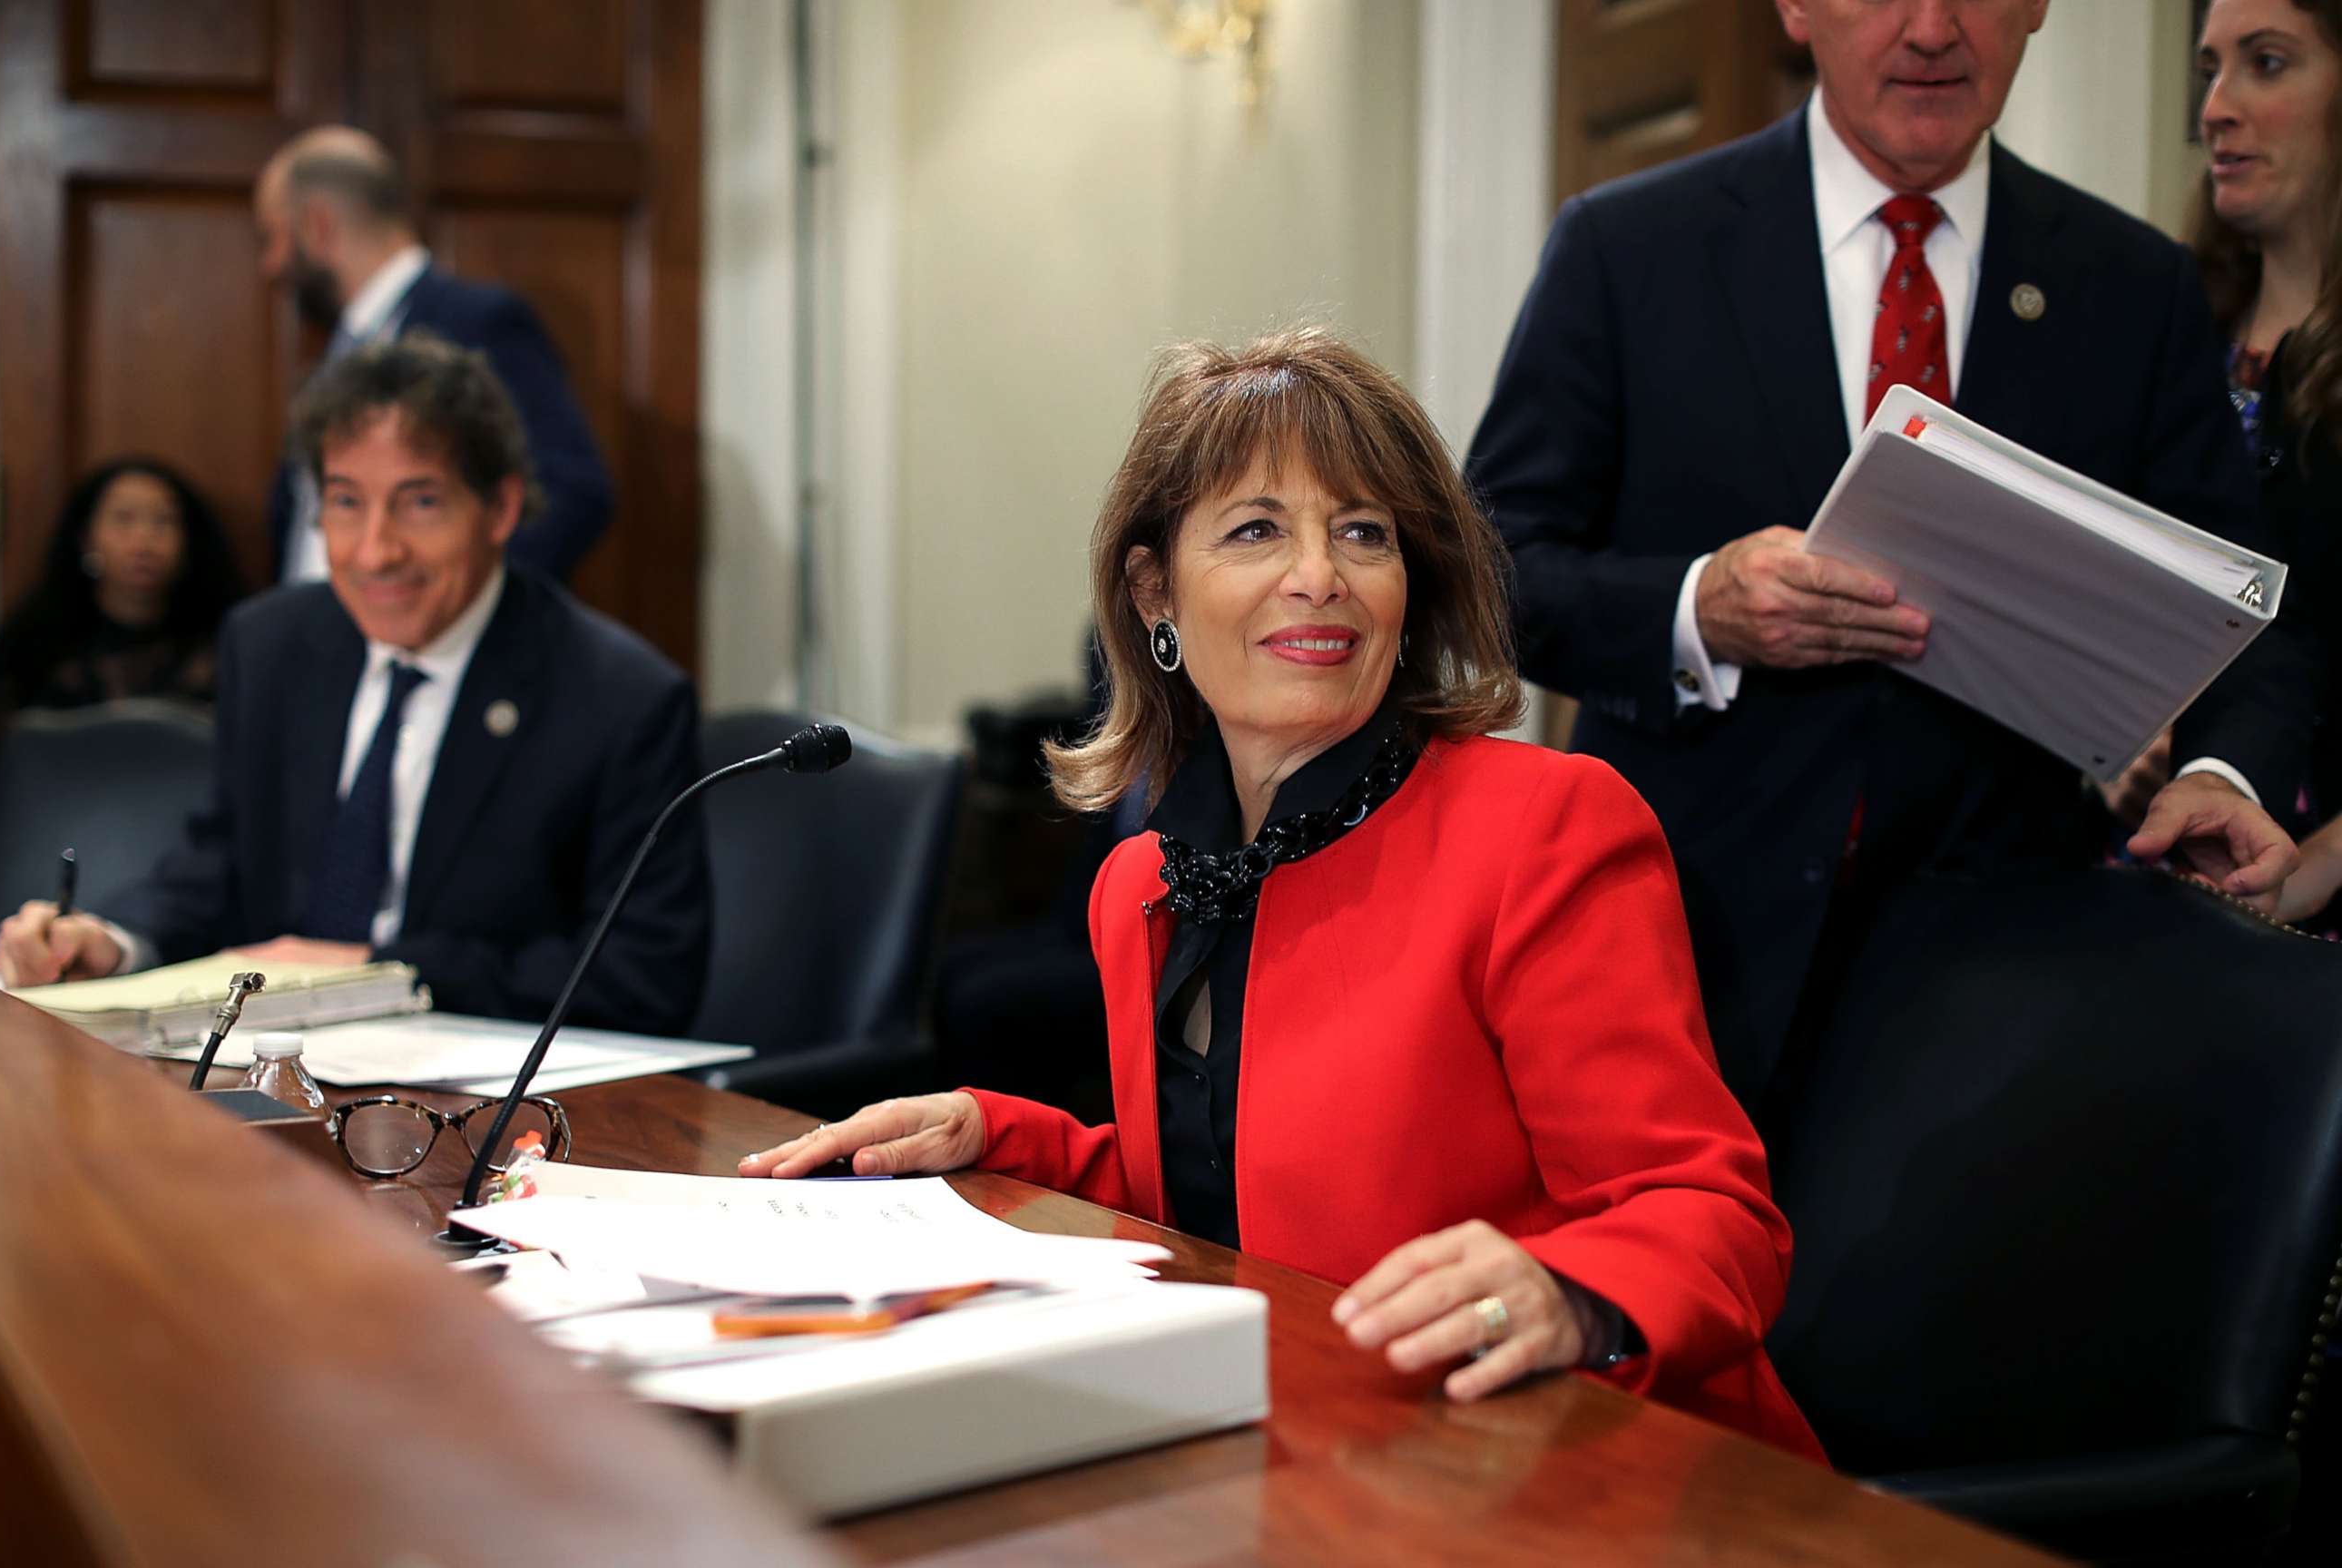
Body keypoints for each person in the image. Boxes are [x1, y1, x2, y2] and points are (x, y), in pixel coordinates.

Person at [737, 330, 1824, 1459]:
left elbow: (1717, 1221)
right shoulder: (1142, 885)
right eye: (1258, 529)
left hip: (1591, 1466)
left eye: (1364, 531)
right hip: (1313, 1449)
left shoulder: (1544, 828)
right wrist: (991, 1131)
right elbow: (1227, 1192)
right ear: (1155, 590)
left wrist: (1566, 1292)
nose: (1323, 574)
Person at [1465, 0, 2302, 1113]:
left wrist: (2217, 768)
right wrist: (1695, 607)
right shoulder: (1628, 248)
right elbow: (1487, 575)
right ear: (1797, 8)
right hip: (1672, 953)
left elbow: (2242, 608)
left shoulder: (2131, 285)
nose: (1932, 29)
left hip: (2003, 987)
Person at [0, 335, 707, 1034]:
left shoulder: (619, 697)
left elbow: (643, 975)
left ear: (501, 509)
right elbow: (223, 866)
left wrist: (379, 968)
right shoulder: (272, 645)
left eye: (419, 502)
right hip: (277, 1080)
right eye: (345, 502)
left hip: (500, 1098)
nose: (375, 551)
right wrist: (112, 943)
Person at [253, 126, 610, 584]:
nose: (270, 265)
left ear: (318, 227)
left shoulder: (479, 321)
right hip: (318, 640)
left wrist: (453, 615)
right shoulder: (342, 344)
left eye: (273, 238)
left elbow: (575, 491)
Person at [2193, 0, 2342, 927]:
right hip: (2150, 883)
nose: (2217, 105)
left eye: (2268, 63)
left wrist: (2312, 869)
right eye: (2210, 68)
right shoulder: (2167, 335)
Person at [0, 457, 243, 720]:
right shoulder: (33, 640)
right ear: (86, 538)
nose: (144, 540)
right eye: (124, 519)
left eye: (164, 521)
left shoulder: (224, 642)